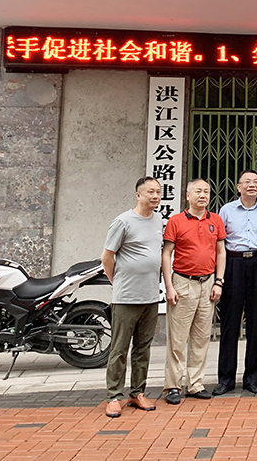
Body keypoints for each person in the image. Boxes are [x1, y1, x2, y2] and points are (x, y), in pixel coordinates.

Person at [102, 176, 164, 418]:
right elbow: (107, 257)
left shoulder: (158, 219)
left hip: (150, 295)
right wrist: (116, 281)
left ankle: (137, 392)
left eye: (158, 191)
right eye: (150, 192)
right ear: (138, 195)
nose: (155, 196)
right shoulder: (123, 221)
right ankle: (113, 396)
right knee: (119, 348)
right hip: (126, 297)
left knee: (143, 348)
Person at [161, 179, 227, 404]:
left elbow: (221, 252)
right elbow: (166, 254)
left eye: (206, 191)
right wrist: (169, 286)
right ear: (187, 196)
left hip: (208, 283)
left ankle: (195, 384)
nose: (203, 195)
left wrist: (219, 281)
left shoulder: (215, 220)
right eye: (198, 191)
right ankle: (172, 385)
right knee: (177, 339)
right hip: (182, 283)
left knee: (201, 337)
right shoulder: (176, 221)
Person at [214, 170, 257, 395]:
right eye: (247, 182)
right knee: (230, 322)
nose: (252, 185)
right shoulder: (226, 210)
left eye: (256, 182)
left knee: (256, 322)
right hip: (233, 264)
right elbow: (220, 243)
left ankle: (253, 378)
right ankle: (226, 378)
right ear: (238, 187)